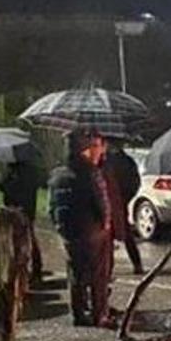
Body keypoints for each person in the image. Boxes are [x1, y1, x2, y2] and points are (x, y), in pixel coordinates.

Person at [48, 130, 114, 327]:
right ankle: (99, 314)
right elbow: (102, 202)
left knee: (75, 274)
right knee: (98, 276)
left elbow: (51, 207)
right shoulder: (90, 172)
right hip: (92, 231)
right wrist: (106, 223)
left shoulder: (57, 175)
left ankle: (78, 313)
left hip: (68, 232)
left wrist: (59, 228)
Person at [0, 161, 45, 283]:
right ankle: (36, 269)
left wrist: (1, 181)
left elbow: (9, 189)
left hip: (18, 209)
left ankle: (20, 270)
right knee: (31, 238)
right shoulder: (31, 171)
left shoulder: (15, 174)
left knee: (19, 242)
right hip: (29, 208)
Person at [102, 144, 145, 275]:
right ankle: (136, 264)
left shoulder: (106, 162)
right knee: (125, 234)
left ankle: (108, 269)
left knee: (109, 236)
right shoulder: (127, 160)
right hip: (119, 201)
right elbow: (135, 182)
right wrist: (127, 197)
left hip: (114, 201)